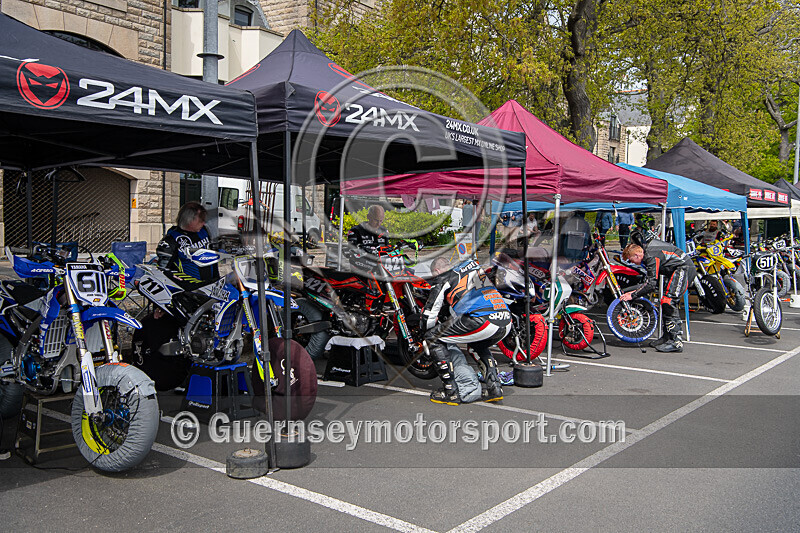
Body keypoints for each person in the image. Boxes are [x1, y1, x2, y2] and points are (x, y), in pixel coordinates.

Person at [420, 257, 512, 405]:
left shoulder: (443, 277)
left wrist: (424, 335)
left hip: (484, 319)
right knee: (478, 344)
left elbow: (430, 314)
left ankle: (451, 392)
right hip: (505, 319)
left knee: (432, 338)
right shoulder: (472, 268)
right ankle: (494, 388)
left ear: (436, 271)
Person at [620, 229, 696, 353]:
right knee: (664, 302)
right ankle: (667, 337)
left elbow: (651, 284)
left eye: (630, 260)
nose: (631, 263)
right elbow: (648, 282)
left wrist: (632, 295)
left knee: (668, 301)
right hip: (677, 269)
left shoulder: (650, 255)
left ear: (637, 255)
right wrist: (632, 293)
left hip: (684, 269)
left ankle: (676, 341)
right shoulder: (649, 251)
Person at [156, 201, 219, 283]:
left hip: (209, 286)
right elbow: (162, 270)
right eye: (200, 220)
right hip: (187, 289)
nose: (203, 223)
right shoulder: (171, 240)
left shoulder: (204, 231)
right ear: (189, 220)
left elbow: (212, 256)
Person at [346, 204, 389, 272]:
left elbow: (387, 248)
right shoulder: (355, 231)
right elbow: (352, 249)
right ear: (368, 217)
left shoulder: (384, 231)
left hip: (381, 266)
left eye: (381, 221)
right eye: (376, 220)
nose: (378, 224)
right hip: (361, 266)